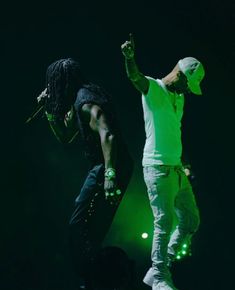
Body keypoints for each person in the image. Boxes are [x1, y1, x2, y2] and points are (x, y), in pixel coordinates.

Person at [38, 58, 133, 289]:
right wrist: (50, 110)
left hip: (108, 167)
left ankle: (93, 278)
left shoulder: (85, 101)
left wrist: (110, 175)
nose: (51, 88)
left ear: (63, 82)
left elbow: (107, 135)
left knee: (79, 227)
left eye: (53, 83)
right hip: (108, 167)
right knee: (88, 230)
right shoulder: (78, 102)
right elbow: (65, 136)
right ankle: (96, 278)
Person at [121, 34, 205, 290]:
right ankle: (158, 276)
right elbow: (134, 77)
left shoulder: (179, 99)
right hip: (157, 169)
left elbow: (173, 132)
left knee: (191, 221)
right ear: (180, 75)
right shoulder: (153, 89)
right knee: (164, 223)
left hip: (177, 169)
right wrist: (130, 58)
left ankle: (160, 266)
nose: (187, 91)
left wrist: (183, 161)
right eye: (187, 85)